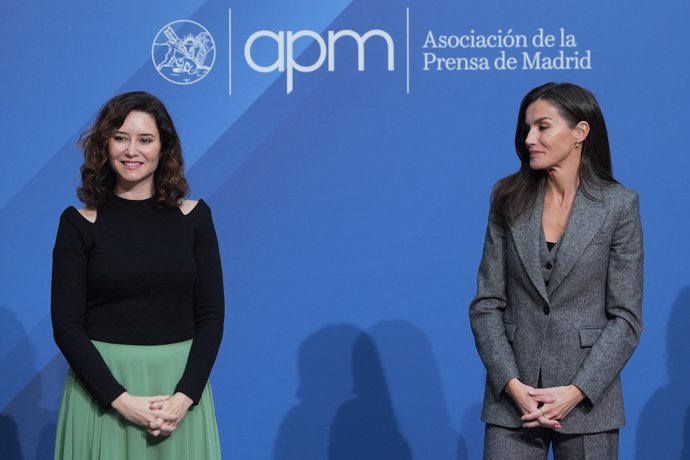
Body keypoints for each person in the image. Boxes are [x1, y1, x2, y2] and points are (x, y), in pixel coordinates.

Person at [469, 82, 643, 459]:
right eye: (526, 128)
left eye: (542, 126)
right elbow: (486, 304)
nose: (530, 137)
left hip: (587, 404)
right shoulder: (507, 199)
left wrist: (576, 391)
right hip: (513, 405)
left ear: (580, 132)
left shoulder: (619, 206)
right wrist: (513, 386)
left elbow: (625, 318)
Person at [51, 91, 224, 459]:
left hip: (178, 396)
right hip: (103, 394)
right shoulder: (77, 223)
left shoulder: (196, 218)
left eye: (145, 140)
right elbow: (67, 325)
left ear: (164, 148)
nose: (132, 151)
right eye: (121, 138)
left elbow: (211, 316)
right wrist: (121, 401)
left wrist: (184, 398)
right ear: (105, 145)